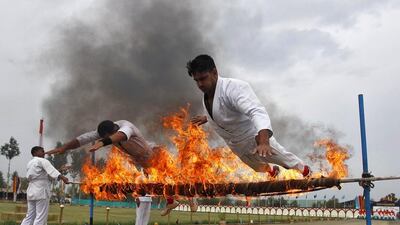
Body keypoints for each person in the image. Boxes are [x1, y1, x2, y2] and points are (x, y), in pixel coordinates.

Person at [187, 54, 311, 178]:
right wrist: (207, 117)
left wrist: (264, 141)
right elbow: (222, 110)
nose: (200, 84)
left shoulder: (234, 88)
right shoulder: (207, 97)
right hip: (236, 145)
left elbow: (256, 111)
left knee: (286, 160)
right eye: (196, 80)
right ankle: (273, 171)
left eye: (203, 78)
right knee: (257, 167)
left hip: (255, 139)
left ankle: (307, 172)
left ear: (214, 72)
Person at [46, 120, 196, 215]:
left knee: (173, 177)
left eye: (105, 137)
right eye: (102, 137)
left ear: (111, 131)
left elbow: (119, 136)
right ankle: (172, 202)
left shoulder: (126, 126)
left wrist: (101, 143)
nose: (102, 138)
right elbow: (83, 139)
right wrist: (64, 147)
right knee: (159, 183)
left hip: (153, 154)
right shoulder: (105, 132)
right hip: (140, 160)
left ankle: (191, 197)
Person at [20, 146, 69, 225]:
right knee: (40, 217)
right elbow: (52, 171)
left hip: (31, 191)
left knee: (30, 216)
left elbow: (45, 175)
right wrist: (63, 177)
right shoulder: (42, 160)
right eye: (41, 151)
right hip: (41, 191)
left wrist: (59, 170)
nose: (44, 153)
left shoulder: (30, 163)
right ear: (35, 153)